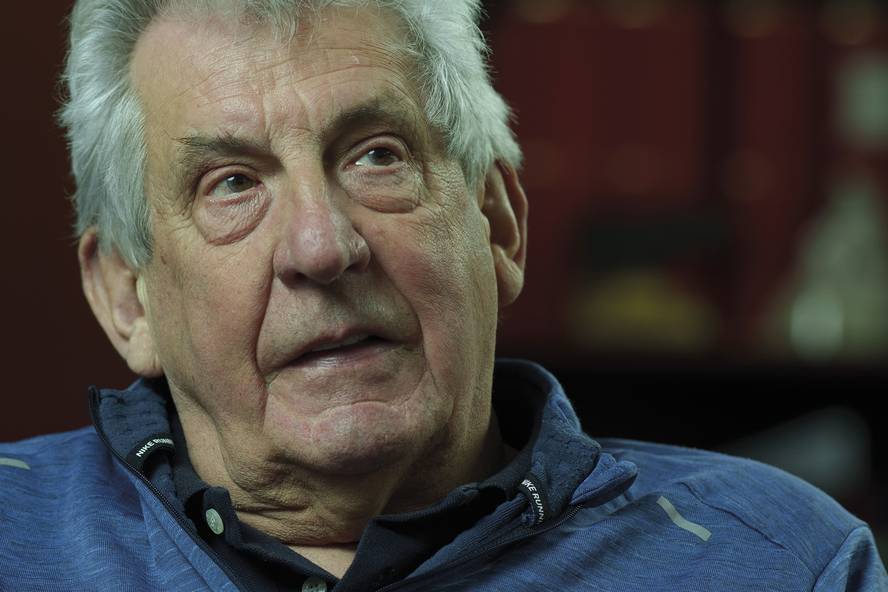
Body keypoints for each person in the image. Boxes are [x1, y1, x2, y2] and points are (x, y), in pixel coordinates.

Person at [0, 0, 885, 590]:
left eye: (376, 156)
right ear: (128, 297)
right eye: (231, 184)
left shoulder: (787, 563)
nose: (322, 247)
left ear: (499, 224)